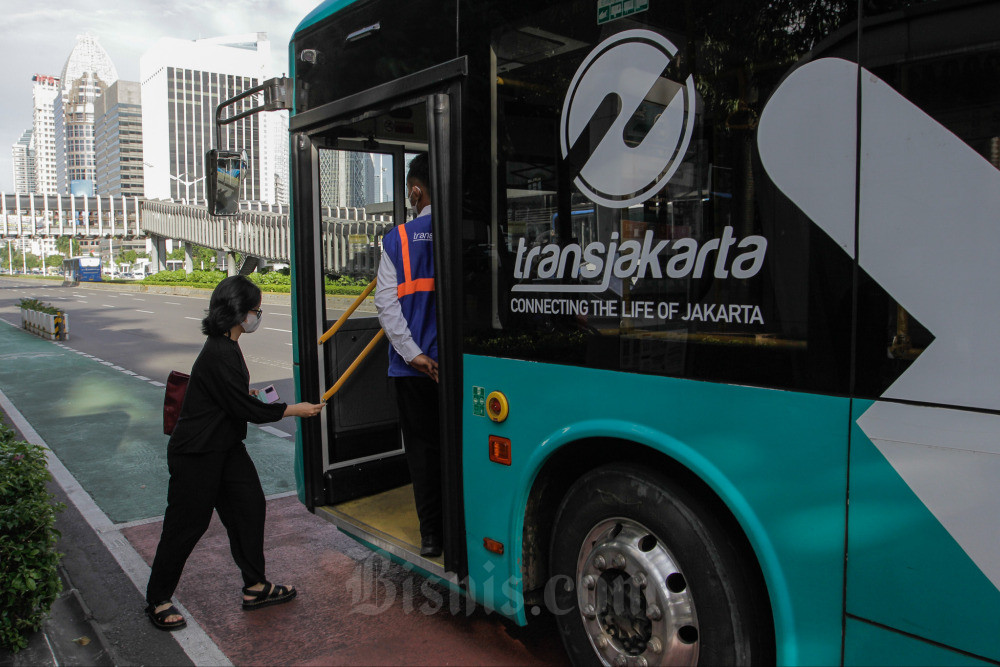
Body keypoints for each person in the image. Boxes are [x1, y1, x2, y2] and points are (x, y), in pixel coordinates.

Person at [144, 275, 325, 631]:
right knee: (187, 525)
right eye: (256, 309)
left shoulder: (226, 345)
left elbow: (232, 400)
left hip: (225, 447)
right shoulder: (219, 351)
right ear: (240, 312)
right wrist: (296, 409)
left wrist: (247, 397)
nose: (258, 316)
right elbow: (249, 412)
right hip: (197, 453)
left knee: (249, 507)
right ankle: (157, 598)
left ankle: (256, 587)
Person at [374, 153, 443, 558]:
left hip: (412, 370)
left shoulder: (397, 239)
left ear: (416, 190)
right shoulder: (466, 231)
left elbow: (387, 306)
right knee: (455, 448)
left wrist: (414, 355)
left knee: (422, 453)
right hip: (458, 367)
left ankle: (432, 536)